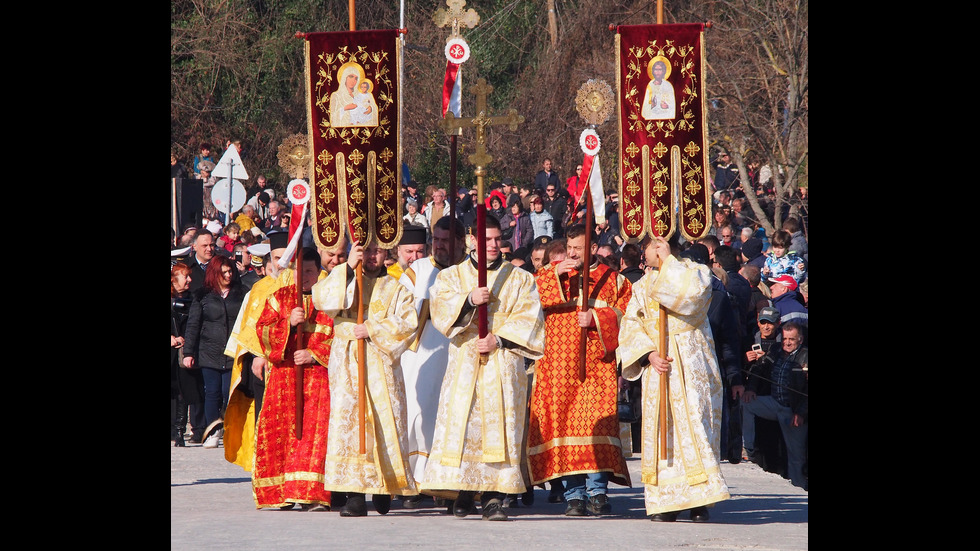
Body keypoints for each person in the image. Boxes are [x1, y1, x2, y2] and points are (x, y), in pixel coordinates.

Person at [420, 215, 546, 521]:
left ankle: (494, 497)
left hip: (503, 365)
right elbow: (439, 309)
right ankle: (464, 491)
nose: (493, 245)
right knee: (464, 429)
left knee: (500, 430)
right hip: (465, 361)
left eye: (497, 239)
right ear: (472, 240)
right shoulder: (451, 276)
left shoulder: (519, 278)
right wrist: (467, 300)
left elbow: (530, 320)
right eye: (486, 239)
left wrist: (499, 340)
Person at [617, 235, 730, 522]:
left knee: (695, 427)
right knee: (662, 433)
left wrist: (668, 262)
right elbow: (631, 325)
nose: (644, 254)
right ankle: (666, 501)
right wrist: (649, 354)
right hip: (660, 367)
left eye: (648, 248)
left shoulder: (698, 273)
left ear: (661, 247)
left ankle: (698, 502)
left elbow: (690, 300)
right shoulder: (641, 287)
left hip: (692, 364)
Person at [527, 224, 632, 517]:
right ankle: (573, 494)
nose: (572, 254)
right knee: (564, 427)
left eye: (579, 248)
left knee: (594, 424)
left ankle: (597, 491)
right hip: (558, 366)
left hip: (597, 366)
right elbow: (526, 299)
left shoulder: (615, 281)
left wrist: (599, 317)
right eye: (570, 247)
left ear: (594, 247)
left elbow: (628, 315)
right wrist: (553, 274)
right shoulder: (554, 274)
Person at [311, 237, 420, 517]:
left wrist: (371, 327)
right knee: (351, 425)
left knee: (384, 422)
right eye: (367, 250)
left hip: (381, 362)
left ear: (387, 253)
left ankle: (385, 486)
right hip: (347, 361)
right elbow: (322, 299)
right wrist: (347, 267)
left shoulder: (396, 287)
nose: (372, 256)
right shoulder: (345, 277)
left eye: (378, 250)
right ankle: (355, 494)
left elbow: (408, 322)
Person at [251, 248, 336, 511]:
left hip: (317, 378)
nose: (306, 277)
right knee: (282, 431)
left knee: (313, 433)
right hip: (284, 377)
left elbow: (341, 335)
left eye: (310, 271)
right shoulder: (280, 297)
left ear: (318, 271)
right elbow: (262, 330)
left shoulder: (330, 299)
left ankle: (310, 492)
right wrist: (287, 323)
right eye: (301, 272)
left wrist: (314, 353)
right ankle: (279, 492)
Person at [397, 217, 467, 508]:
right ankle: (418, 483)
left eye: (445, 241)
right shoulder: (418, 271)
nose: (438, 246)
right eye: (435, 240)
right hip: (423, 354)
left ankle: (456, 485)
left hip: (460, 352)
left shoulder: (471, 271)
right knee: (420, 413)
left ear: (461, 243)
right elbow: (399, 311)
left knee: (457, 417)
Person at [182, 256, 247, 448]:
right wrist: (188, 353)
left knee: (230, 392)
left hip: (232, 350)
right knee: (212, 392)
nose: (228, 275)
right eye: (223, 272)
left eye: (230, 271)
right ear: (215, 273)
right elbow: (193, 324)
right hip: (208, 350)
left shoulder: (241, 293)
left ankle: (227, 427)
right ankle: (212, 431)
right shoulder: (202, 295)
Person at [741, 321, 808, 490]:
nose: (787, 342)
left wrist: (800, 413)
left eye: (791, 339)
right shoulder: (776, 349)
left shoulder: (805, 356)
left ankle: (798, 488)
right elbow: (759, 367)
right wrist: (750, 389)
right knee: (746, 402)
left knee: (796, 455)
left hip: (791, 410)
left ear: (800, 340)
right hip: (773, 403)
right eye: (785, 338)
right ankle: (748, 450)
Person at [172, 262, 204, 447]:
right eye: (185, 276)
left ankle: (179, 430)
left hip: (185, 350)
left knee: (184, 390)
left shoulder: (193, 299)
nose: (190, 280)